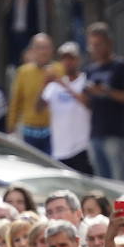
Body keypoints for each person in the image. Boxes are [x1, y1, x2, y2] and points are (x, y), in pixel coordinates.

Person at [82, 22, 124, 182]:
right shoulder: (90, 69)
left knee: (119, 178)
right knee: (102, 181)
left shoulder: (121, 66)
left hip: (115, 132)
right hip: (95, 132)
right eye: (91, 45)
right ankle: (107, 209)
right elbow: (87, 103)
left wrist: (107, 92)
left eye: (98, 44)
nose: (95, 49)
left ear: (109, 43)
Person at [37, 41, 92, 173]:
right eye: (64, 59)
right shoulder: (54, 86)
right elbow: (38, 108)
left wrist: (64, 85)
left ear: (78, 60)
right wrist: (44, 84)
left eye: (71, 58)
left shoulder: (85, 81)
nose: (68, 62)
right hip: (59, 150)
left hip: (81, 147)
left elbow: (87, 103)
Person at [6, 33, 59, 154]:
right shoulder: (23, 72)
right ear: (33, 50)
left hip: (54, 131)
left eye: (47, 47)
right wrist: (10, 127)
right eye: (40, 48)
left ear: (52, 50)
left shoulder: (59, 69)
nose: (43, 52)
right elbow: (15, 101)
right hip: (29, 132)